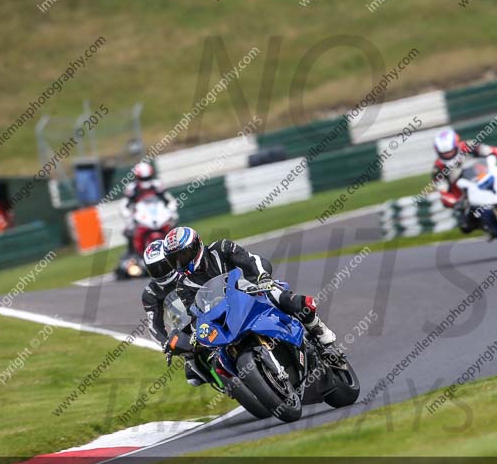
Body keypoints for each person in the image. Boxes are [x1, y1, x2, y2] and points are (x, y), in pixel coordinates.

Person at [161, 226, 338, 358]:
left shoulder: (221, 248)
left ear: (196, 247)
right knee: (216, 353)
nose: (180, 262)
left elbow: (251, 260)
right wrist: (196, 333)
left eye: (182, 256)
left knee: (284, 298)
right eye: (174, 260)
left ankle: (317, 328)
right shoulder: (183, 286)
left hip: (252, 291)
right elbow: (195, 314)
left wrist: (262, 277)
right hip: (223, 313)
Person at [141, 238, 208, 386]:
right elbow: (154, 325)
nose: (160, 272)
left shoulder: (189, 268)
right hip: (185, 330)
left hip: (208, 313)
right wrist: (166, 344)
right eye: (155, 269)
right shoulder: (151, 292)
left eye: (163, 266)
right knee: (193, 379)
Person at [431, 128, 497, 233]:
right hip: (467, 195)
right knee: (465, 225)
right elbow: (443, 192)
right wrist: (455, 203)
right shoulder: (438, 168)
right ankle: (491, 228)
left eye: (450, 151)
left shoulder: (469, 145)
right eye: (445, 153)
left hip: (485, 176)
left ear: (456, 145)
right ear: (438, 152)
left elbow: (492, 150)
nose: (448, 155)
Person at [121, 160, 178, 254]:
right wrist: (128, 216)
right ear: (137, 177)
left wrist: (171, 210)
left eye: (147, 178)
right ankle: (132, 254)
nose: (145, 181)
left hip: (159, 214)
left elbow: (169, 199)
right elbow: (124, 205)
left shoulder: (157, 185)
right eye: (143, 179)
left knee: (174, 224)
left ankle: (177, 246)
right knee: (129, 230)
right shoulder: (132, 188)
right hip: (141, 216)